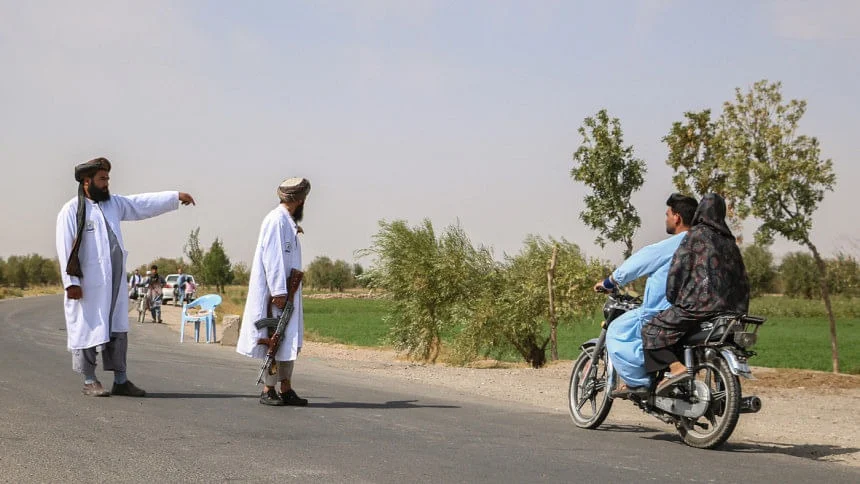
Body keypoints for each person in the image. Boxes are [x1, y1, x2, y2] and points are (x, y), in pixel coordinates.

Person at [56, 157, 195, 397]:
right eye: (102, 179)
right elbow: (64, 248)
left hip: (114, 285)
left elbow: (141, 204)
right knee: (87, 330)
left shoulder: (113, 204)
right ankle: (89, 380)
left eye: (108, 178)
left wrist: (174, 197)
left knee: (117, 331)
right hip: (88, 287)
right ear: (87, 181)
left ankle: (121, 381)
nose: (107, 183)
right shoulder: (71, 211)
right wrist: (71, 284)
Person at [642, 193, 750, 395]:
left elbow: (677, 269)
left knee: (651, 330)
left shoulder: (696, 235)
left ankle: (676, 369)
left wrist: (674, 298)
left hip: (699, 307)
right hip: (732, 310)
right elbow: (743, 278)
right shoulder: (729, 241)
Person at [593, 194, 698, 399]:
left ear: (677, 217)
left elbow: (635, 265)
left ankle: (639, 383)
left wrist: (608, 283)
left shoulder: (671, 245)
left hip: (662, 310)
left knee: (617, 331)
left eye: (667, 214)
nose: (666, 219)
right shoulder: (703, 245)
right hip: (695, 310)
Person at [236, 177, 311, 407]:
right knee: (275, 338)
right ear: (299, 199)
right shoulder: (275, 221)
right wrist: (279, 293)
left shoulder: (287, 222)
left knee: (288, 339)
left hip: (289, 292)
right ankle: (269, 388)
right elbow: (273, 259)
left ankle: (286, 387)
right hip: (276, 296)